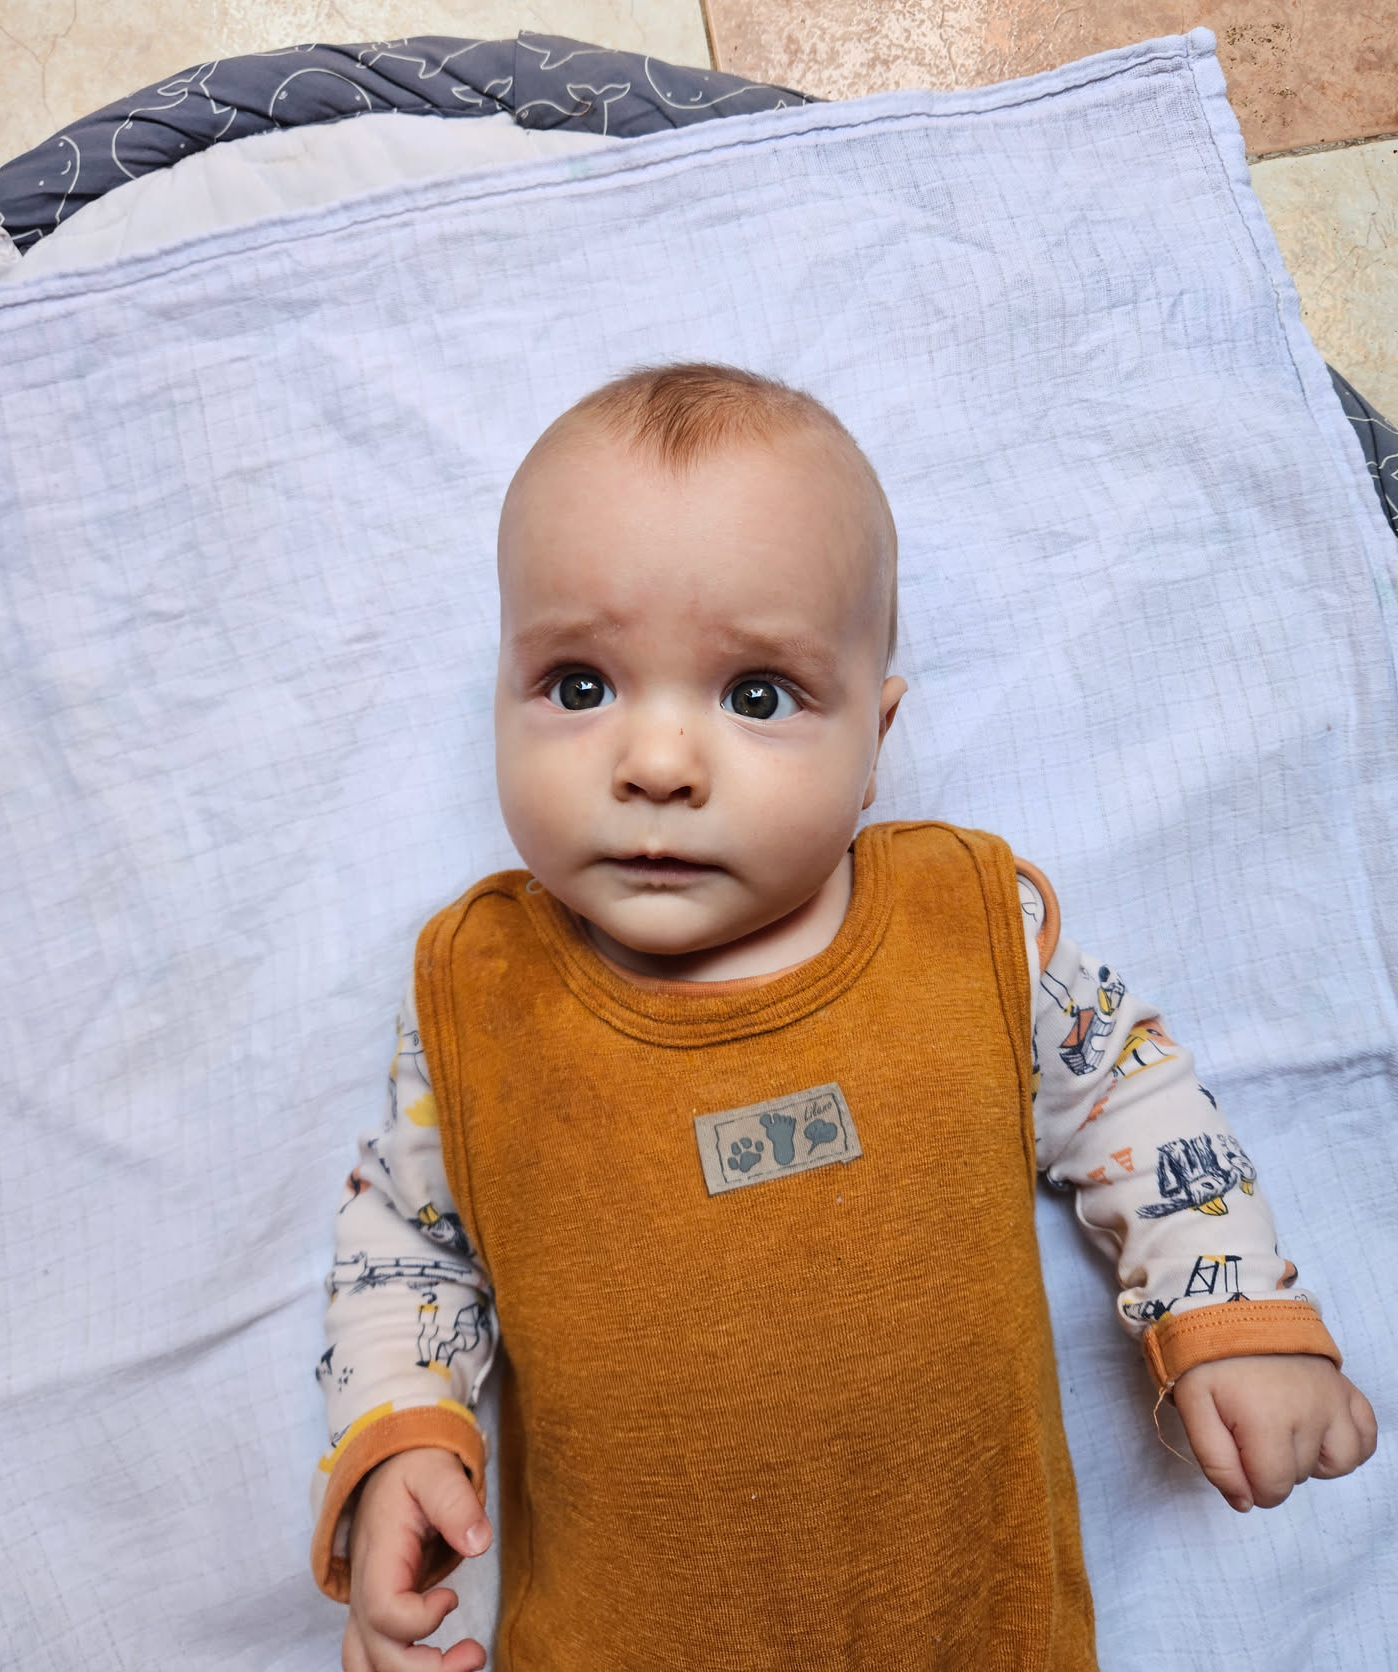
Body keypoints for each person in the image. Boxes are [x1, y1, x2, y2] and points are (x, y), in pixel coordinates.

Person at [310, 364, 1376, 1671]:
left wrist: (1231, 1313)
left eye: (757, 695)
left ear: (877, 739)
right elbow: (406, 1245)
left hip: (973, 1628)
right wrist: (400, 1440)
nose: (655, 765)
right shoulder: (482, 997)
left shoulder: (970, 932)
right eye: (578, 685)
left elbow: (1138, 1105)